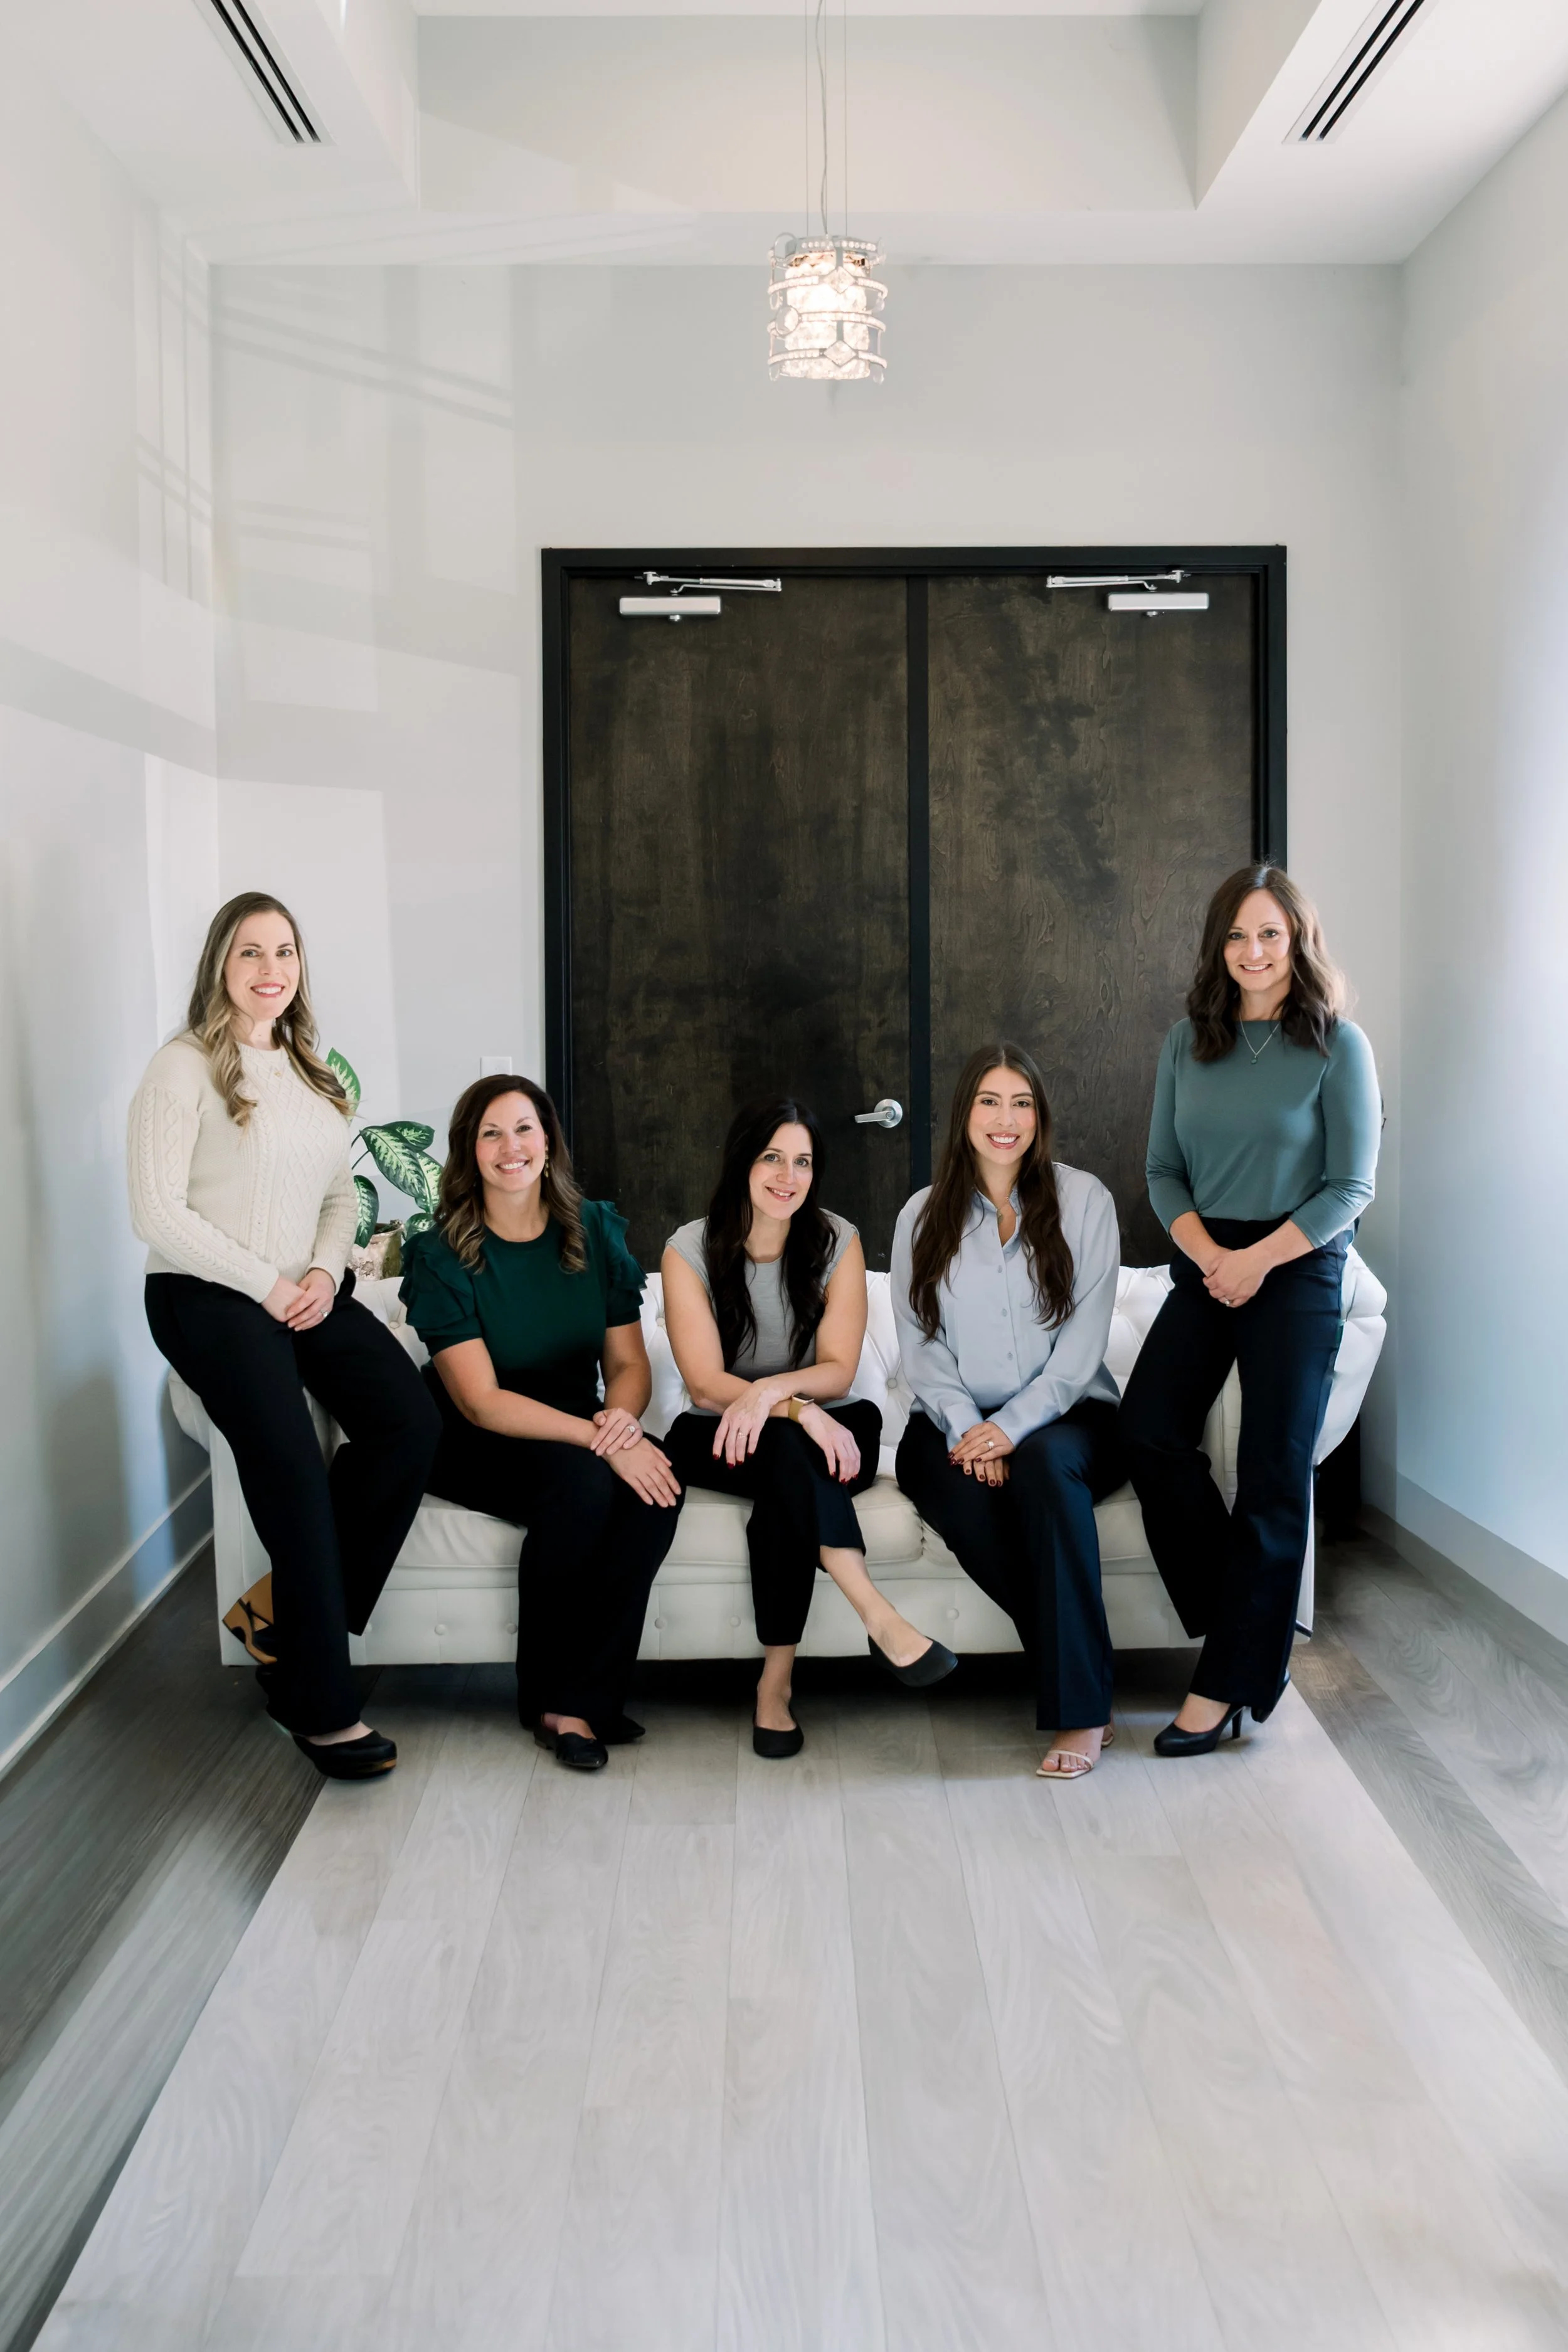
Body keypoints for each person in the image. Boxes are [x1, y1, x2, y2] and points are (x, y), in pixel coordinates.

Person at [129, 892, 439, 1780]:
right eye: (251, 952)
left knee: (408, 1423)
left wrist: (324, 1273)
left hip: (300, 1288)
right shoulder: (182, 1069)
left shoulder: (312, 1075)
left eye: (286, 952)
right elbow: (156, 1211)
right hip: (205, 1294)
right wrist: (266, 1282)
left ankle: (280, 1620)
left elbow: (339, 1198)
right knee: (294, 1469)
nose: (271, 969)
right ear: (220, 967)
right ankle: (318, 1705)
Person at [1120, 864, 1381, 1755]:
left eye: (1270, 933)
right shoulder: (1186, 1042)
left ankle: (1226, 1682)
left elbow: (1351, 1185)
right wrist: (1211, 1259)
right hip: (1207, 1255)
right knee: (1147, 1428)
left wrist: (1259, 1261)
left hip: (1300, 1263)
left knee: (1276, 1468)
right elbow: (1161, 1172)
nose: (1253, 951)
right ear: (1217, 946)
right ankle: (1246, 1617)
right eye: (1236, 934)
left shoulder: (1338, 1046)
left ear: (1299, 941)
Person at [400, 1074, 681, 1770]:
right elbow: (480, 1401)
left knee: (658, 1492)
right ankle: (551, 1702)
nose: (510, 1147)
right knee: (583, 1488)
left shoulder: (594, 1231)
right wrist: (601, 1442)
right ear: (469, 1150)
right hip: (468, 1432)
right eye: (490, 1133)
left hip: (572, 1412)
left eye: (524, 1128)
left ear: (548, 1139)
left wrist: (618, 1427)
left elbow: (628, 1366)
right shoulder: (442, 1255)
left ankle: (589, 1700)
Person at [661, 1098, 956, 1759]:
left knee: (786, 1480)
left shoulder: (835, 1239)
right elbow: (707, 1383)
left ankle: (776, 1683)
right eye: (772, 1157)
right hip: (721, 1427)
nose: (787, 1176)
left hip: (828, 1421)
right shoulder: (688, 1249)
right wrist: (791, 1409)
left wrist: (780, 1394)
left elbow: (837, 1368)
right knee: (790, 1450)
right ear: (743, 1161)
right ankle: (877, 1618)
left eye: (802, 1161)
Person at [892, 1045, 1125, 1779]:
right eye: (989, 1102)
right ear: (964, 1114)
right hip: (958, 1423)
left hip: (1069, 1418)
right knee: (936, 1477)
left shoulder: (1085, 1202)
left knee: (1047, 1475)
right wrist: (969, 1431)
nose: (1005, 1119)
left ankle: (1081, 1716)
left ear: (1040, 1116)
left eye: (1021, 1103)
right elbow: (919, 1349)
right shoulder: (920, 1216)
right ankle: (1088, 1677)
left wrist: (1009, 1431)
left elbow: (1079, 1354)